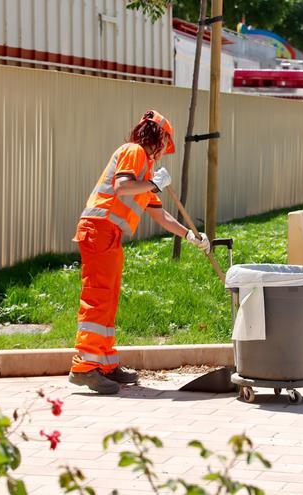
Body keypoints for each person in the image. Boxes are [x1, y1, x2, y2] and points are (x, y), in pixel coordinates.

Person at [69, 110, 210, 394]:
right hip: (99, 229)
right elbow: (122, 188)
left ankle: (105, 364)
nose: (162, 154)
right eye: (163, 146)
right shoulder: (134, 152)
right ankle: (84, 367)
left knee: (108, 299)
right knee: (98, 298)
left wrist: (191, 236)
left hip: (108, 233)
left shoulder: (145, 172)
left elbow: (161, 216)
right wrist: (154, 183)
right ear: (157, 138)